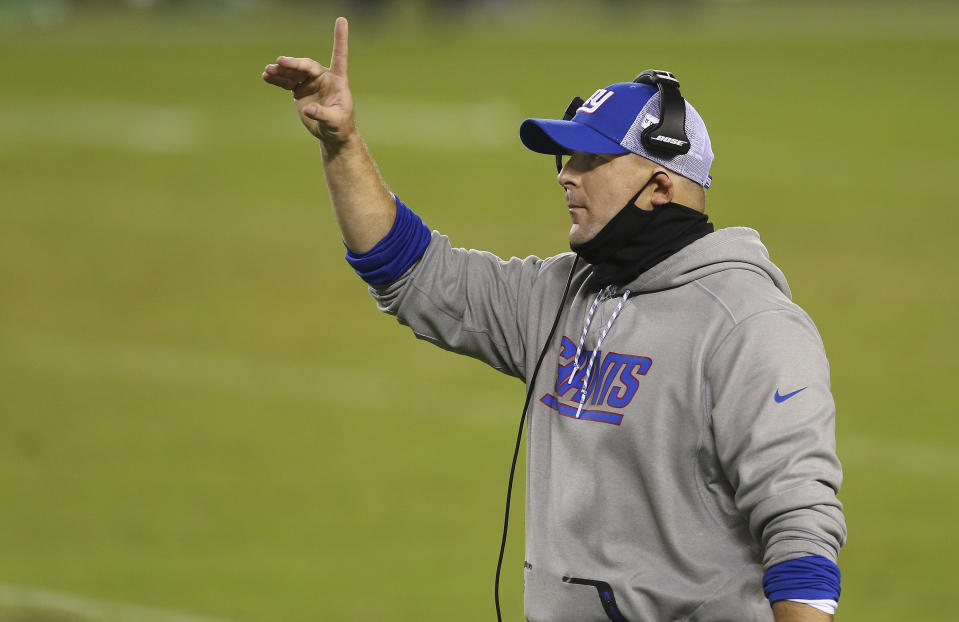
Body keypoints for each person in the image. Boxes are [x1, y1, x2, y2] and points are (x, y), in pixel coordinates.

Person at [262, 17, 847, 622]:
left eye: (591, 158)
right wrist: (342, 144)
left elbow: (800, 525)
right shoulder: (561, 294)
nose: (566, 174)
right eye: (565, 157)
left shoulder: (749, 326)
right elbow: (411, 272)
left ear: (661, 186)